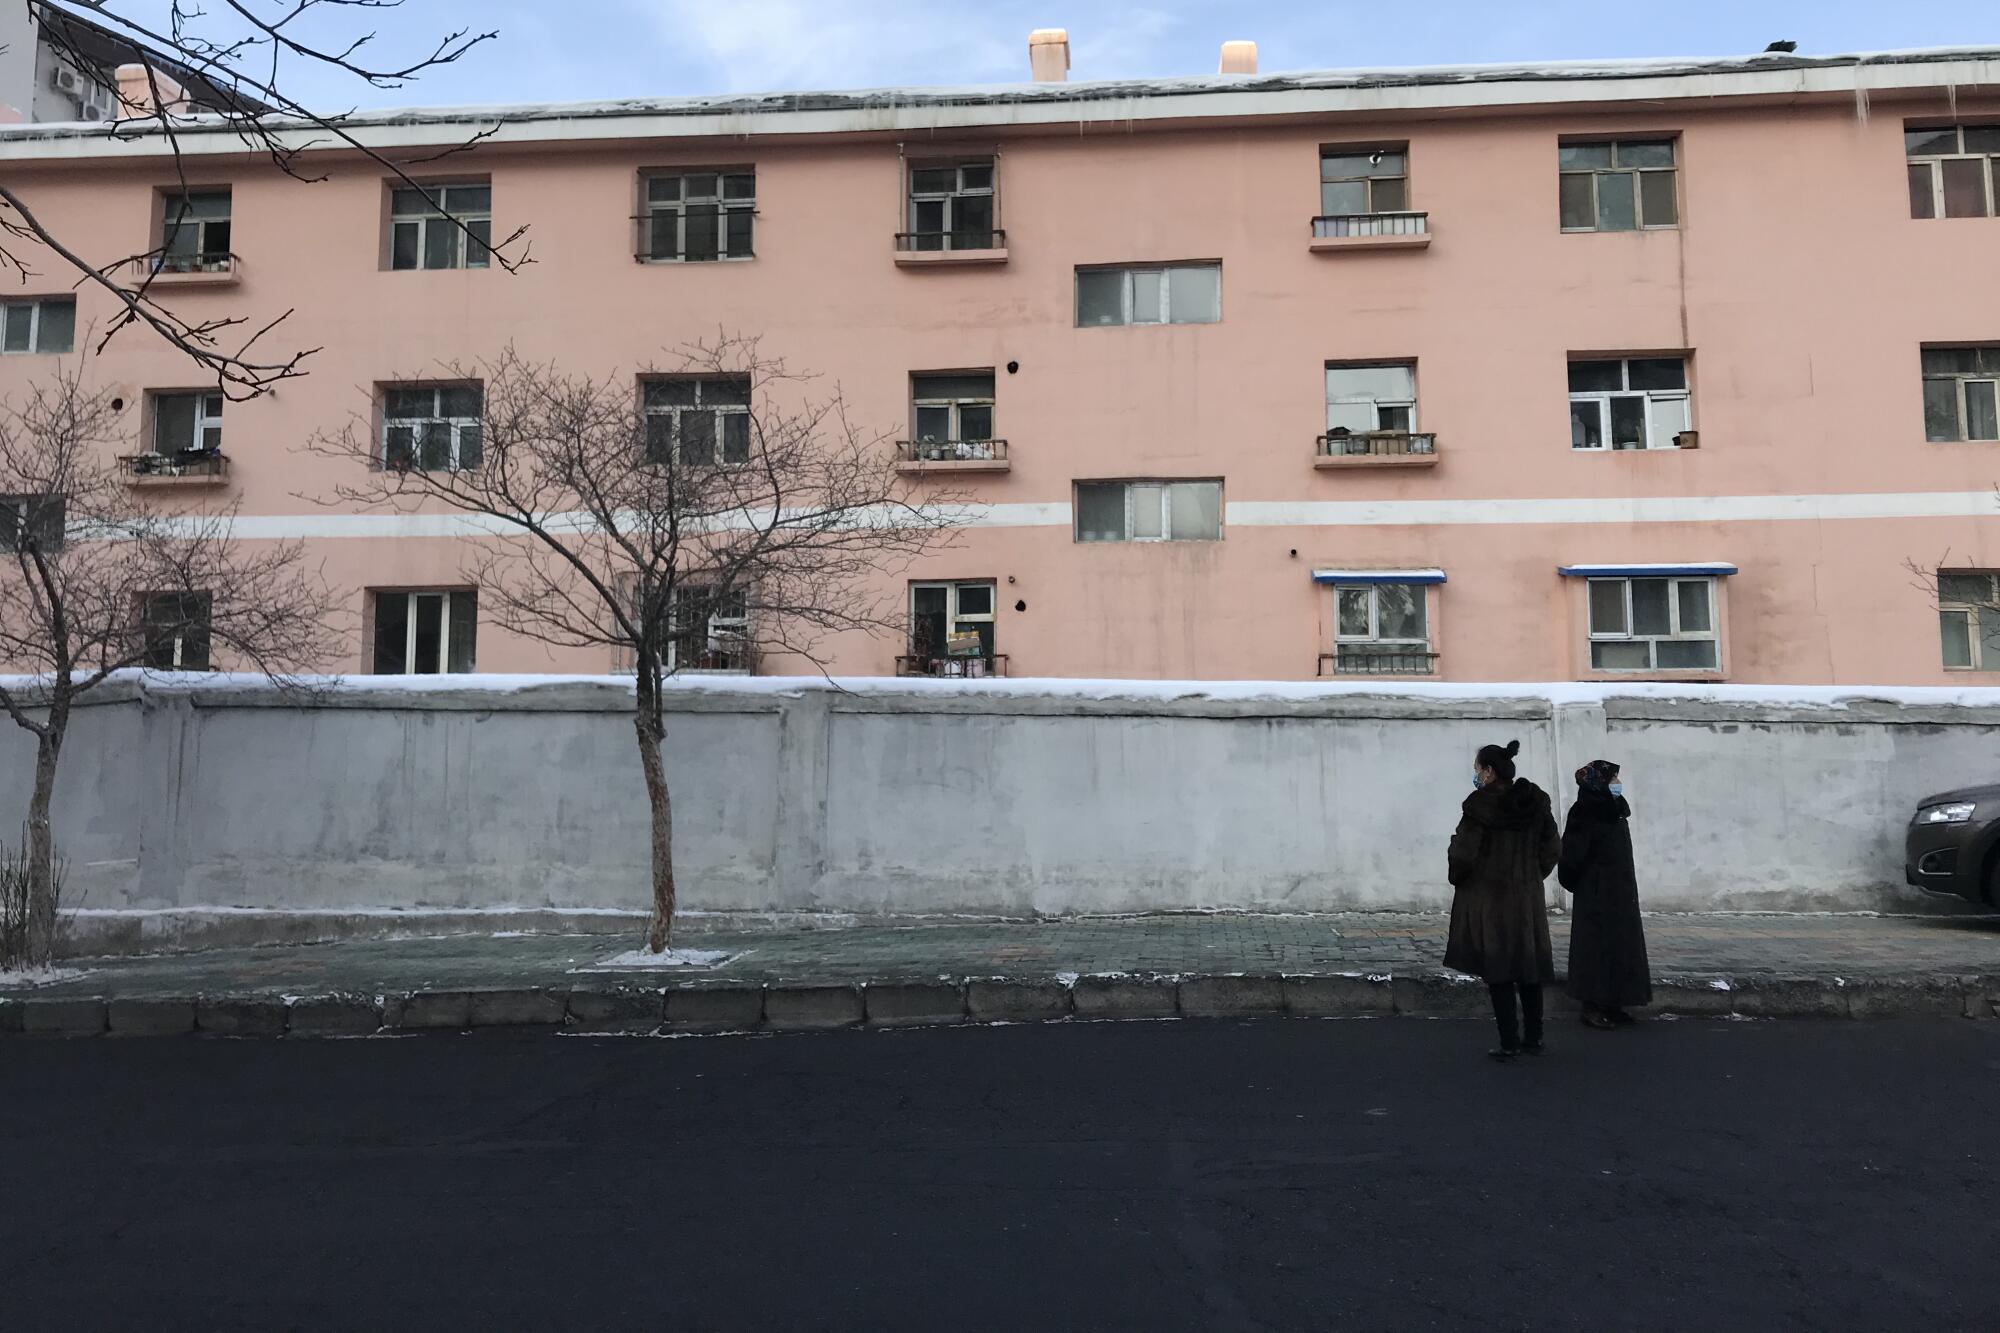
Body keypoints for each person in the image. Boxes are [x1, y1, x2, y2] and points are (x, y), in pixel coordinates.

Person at [1445, 739, 1561, 1061]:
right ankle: (1534, 1038)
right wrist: (1530, 876)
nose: (1476, 774)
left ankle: (1509, 1042)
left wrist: (1459, 871)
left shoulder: (1479, 806)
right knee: (1528, 967)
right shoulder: (1536, 801)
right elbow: (1552, 847)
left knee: (1499, 971)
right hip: (1526, 900)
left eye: (1478, 769)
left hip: (1491, 900)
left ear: (1490, 771)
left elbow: (1464, 855)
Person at [1558, 759, 1652, 1029]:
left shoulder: (1616, 810)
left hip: (1620, 892)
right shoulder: (1584, 811)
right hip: (1595, 893)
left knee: (1621, 946)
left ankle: (1615, 1002)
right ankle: (1591, 1006)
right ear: (1598, 782)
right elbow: (1571, 856)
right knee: (1594, 949)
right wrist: (1585, 885)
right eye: (1612, 780)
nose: (1617, 784)